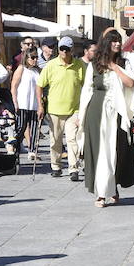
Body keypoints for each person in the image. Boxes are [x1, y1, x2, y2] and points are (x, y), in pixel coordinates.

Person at [78, 28, 134, 207]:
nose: (118, 43)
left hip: (117, 113)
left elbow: (131, 83)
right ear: (107, 43)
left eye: (119, 40)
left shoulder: (123, 63)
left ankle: (113, 187)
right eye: (114, 40)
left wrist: (114, 67)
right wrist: (81, 115)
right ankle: (101, 193)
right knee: (100, 152)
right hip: (96, 112)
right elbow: (86, 90)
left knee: (116, 151)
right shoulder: (94, 65)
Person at [39, 36, 86, 178]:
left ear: (72, 50)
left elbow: (86, 86)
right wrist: (40, 105)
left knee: (72, 139)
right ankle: (56, 165)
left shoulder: (79, 65)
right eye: (62, 49)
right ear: (58, 50)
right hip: (54, 110)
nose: (64, 52)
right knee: (55, 140)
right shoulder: (51, 65)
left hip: (74, 109)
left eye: (67, 49)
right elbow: (40, 85)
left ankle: (73, 168)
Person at [10, 37, 43, 163]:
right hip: (23, 103)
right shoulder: (21, 69)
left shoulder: (37, 71)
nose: (34, 60)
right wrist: (15, 101)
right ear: (27, 58)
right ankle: (16, 146)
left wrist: (41, 103)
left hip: (34, 104)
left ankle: (32, 150)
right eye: (32, 58)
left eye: (36, 58)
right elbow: (14, 86)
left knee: (34, 127)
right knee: (21, 127)